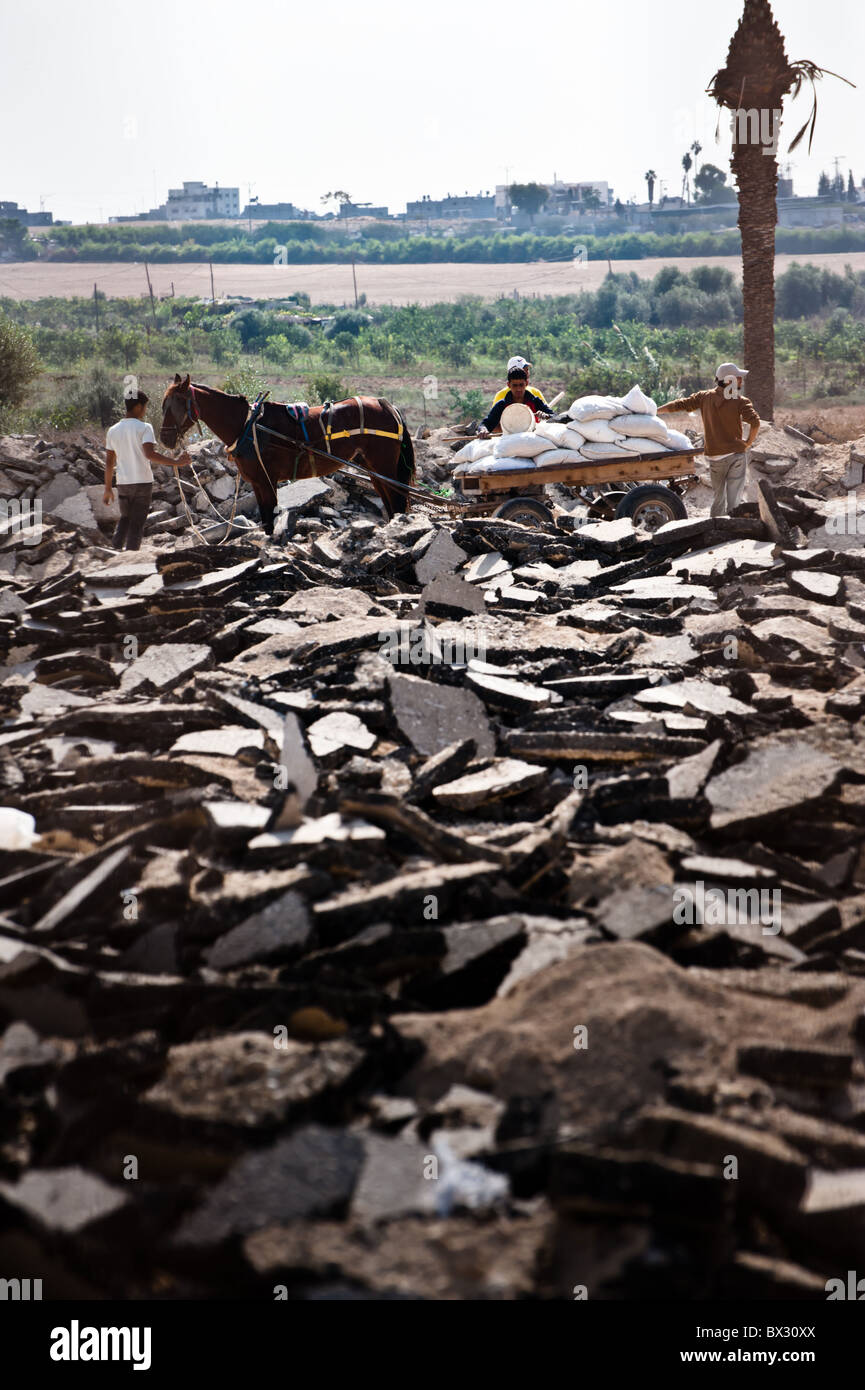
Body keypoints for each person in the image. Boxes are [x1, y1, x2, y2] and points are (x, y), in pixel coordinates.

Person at [657, 363, 761, 518]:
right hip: (735, 456)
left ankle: (716, 527)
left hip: (715, 457)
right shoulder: (741, 401)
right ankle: (734, 528)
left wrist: (656, 410)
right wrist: (747, 443)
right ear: (729, 380)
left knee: (718, 498)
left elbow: (680, 404)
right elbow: (755, 423)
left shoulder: (704, 397)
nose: (741, 381)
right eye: (739, 378)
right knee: (735, 500)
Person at [104, 389, 191, 550]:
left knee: (124, 519)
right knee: (136, 525)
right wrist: (176, 462)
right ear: (137, 406)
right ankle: (131, 558)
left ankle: (114, 553)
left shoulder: (113, 430)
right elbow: (150, 454)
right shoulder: (145, 428)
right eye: (144, 407)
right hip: (142, 483)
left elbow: (109, 463)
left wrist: (108, 489)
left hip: (123, 483)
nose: (145, 411)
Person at [477, 357, 553, 436]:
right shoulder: (501, 404)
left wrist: (547, 416)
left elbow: (555, 417)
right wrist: (483, 430)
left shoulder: (535, 401)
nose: (518, 389)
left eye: (521, 385)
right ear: (509, 385)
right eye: (515, 385)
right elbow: (486, 423)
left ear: (526, 383)